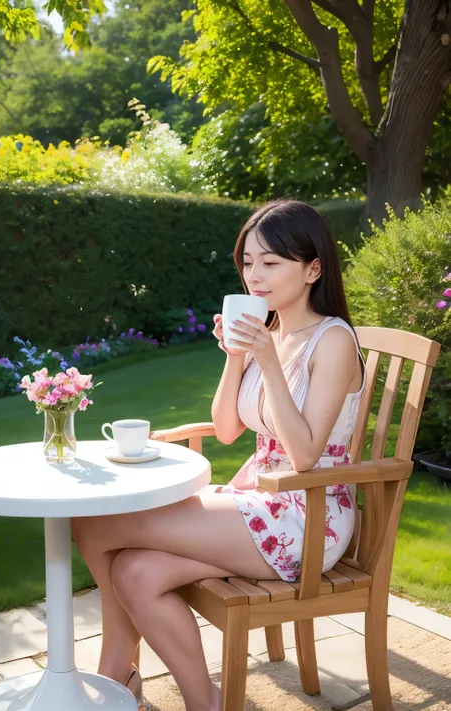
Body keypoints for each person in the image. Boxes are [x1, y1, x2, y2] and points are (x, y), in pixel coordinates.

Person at [71, 199, 365, 711]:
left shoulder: (332, 340)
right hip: (258, 499)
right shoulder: (268, 331)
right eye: (248, 262)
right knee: (134, 572)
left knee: (95, 523)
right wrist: (237, 357)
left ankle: (115, 672)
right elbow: (228, 429)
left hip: (307, 514)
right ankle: (205, 701)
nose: (256, 275)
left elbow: (303, 455)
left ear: (313, 268)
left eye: (272, 262)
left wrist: (268, 362)